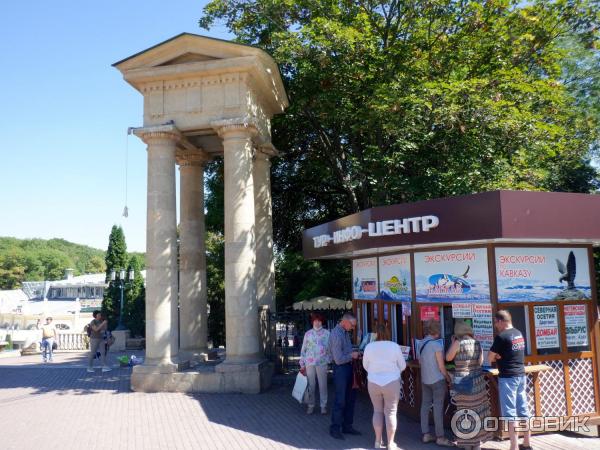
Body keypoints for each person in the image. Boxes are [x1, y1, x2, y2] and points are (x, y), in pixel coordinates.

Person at [446, 321, 492, 450]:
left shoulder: (458, 343)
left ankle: (467, 444)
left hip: (463, 382)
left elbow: (448, 358)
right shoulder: (476, 343)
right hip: (477, 381)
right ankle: (476, 444)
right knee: (477, 411)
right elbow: (480, 362)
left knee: (464, 412)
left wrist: (452, 343)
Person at [488, 310, 531, 450]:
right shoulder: (519, 333)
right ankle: (527, 443)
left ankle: (514, 446)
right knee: (523, 409)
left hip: (508, 377)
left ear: (501, 321)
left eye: (496, 322)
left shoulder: (501, 337)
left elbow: (489, 358)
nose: (495, 325)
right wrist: (500, 355)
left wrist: (497, 356)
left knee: (510, 413)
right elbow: (512, 353)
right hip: (521, 375)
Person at [362, 324, 406, 450]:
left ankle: (377, 441)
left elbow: (365, 365)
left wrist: (375, 372)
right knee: (391, 412)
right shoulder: (394, 346)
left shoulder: (369, 347)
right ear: (388, 333)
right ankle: (390, 443)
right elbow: (402, 365)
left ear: (375, 334)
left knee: (377, 411)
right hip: (392, 382)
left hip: (373, 382)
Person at [418, 320, 454, 447]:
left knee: (425, 406)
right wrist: (448, 378)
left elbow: (420, 362)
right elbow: (441, 366)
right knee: (438, 407)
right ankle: (440, 437)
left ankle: (426, 434)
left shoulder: (421, 343)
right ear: (436, 331)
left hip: (425, 379)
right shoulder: (436, 345)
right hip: (437, 380)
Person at [328, 312, 361, 440]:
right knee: (340, 400)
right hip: (341, 369)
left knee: (350, 399)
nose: (353, 328)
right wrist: (352, 355)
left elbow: (345, 350)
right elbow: (338, 359)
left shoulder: (345, 332)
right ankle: (335, 428)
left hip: (347, 368)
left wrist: (354, 351)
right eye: (352, 325)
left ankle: (347, 426)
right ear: (345, 321)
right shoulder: (336, 334)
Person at [299, 312, 331, 415]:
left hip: (322, 362)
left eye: (319, 321)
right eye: (315, 321)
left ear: (322, 322)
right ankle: (311, 405)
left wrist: (329, 359)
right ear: (312, 321)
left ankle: (323, 406)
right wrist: (302, 363)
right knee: (311, 385)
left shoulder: (327, 333)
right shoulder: (308, 334)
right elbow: (304, 349)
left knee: (323, 385)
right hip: (309, 363)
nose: (317, 323)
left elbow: (330, 348)